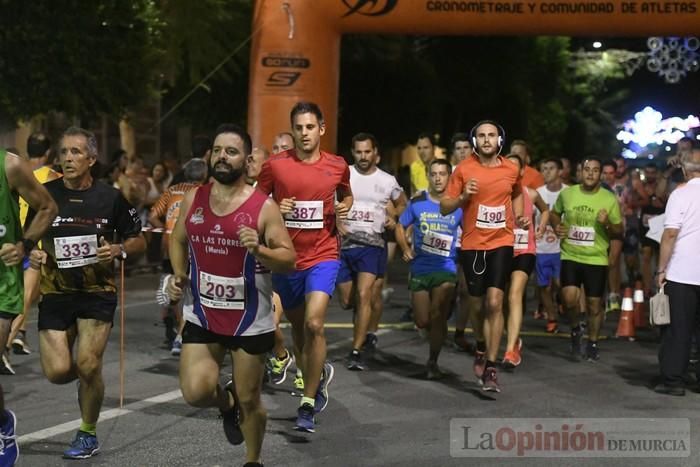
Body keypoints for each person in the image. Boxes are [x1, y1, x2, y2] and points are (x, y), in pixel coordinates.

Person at [167, 124, 295, 466]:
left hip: (250, 319)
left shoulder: (263, 207)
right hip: (203, 312)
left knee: (250, 398)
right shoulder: (194, 198)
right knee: (195, 392)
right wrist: (178, 274)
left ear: (247, 160)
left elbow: (289, 258)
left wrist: (261, 251)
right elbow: (177, 238)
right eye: (218, 150)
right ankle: (227, 405)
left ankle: (253, 460)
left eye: (232, 151)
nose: (222, 157)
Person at [30, 127, 145, 459]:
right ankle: (87, 382)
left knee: (88, 362)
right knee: (56, 372)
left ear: (91, 159)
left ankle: (87, 432)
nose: (68, 158)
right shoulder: (43, 194)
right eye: (64, 152)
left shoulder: (110, 197)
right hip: (56, 292)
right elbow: (30, 236)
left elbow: (139, 238)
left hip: (97, 291)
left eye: (76, 152)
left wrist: (119, 248)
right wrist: (33, 253)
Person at [257, 102, 353, 432]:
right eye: (298, 128)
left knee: (314, 324)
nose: (304, 133)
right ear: (292, 130)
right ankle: (316, 371)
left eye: (310, 127)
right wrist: (274, 207)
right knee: (298, 331)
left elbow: (346, 195)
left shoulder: (338, 165)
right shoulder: (275, 166)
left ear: (321, 129)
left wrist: (343, 208)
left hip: (323, 255)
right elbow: (256, 206)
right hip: (287, 259)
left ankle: (308, 403)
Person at [440, 120, 528, 393]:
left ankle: (491, 366)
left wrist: (518, 216)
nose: (487, 139)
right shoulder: (464, 169)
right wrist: (463, 196)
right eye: (482, 136)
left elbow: (515, 194)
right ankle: (480, 343)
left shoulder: (511, 168)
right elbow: (445, 206)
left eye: (492, 135)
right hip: (473, 244)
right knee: (476, 304)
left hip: (502, 241)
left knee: (495, 301)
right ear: (475, 141)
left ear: (500, 140)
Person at [0, 146, 57, 464]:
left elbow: (48, 207)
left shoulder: (10, 166)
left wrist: (24, 245)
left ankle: (2, 428)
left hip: (2, 285)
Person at [336, 133, 405, 370]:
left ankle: (356, 350)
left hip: (372, 246)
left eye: (367, 152)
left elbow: (402, 204)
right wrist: (336, 220)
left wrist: (393, 217)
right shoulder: (343, 174)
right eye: (358, 152)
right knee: (348, 301)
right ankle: (363, 322)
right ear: (353, 152)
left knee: (365, 295)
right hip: (345, 246)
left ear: (375, 153)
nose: (363, 157)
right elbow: (328, 199)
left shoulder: (387, 180)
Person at [550, 157, 622, 362]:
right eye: (587, 170)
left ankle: (592, 342)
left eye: (595, 170)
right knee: (569, 297)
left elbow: (619, 231)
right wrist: (557, 226)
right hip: (570, 254)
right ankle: (575, 328)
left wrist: (607, 222)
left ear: (600, 174)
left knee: (593, 305)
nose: (590, 174)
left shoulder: (609, 199)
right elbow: (555, 214)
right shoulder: (568, 194)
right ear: (580, 172)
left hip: (596, 258)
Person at [396, 159, 461, 378]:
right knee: (423, 320)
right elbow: (399, 226)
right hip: (421, 268)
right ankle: (433, 330)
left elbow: (472, 232)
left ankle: (433, 361)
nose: (438, 178)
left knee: (438, 314)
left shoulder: (457, 205)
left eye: (442, 174)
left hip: (446, 267)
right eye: (434, 174)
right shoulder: (417, 202)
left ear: (449, 176)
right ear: (429, 176)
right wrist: (405, 247)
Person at [149, 158, 209, 355]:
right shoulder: (204, 193)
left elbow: (152, 215)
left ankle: (176, 326)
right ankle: (181, 335)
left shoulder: (172, 190)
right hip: (194, 249)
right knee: (191, 294)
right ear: (204, 175)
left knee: (174, 288)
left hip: (169, 248)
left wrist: (166, 231)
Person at [10, 133, 61, 358]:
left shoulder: (16, 171)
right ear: (48, 152)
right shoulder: (52, 176)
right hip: (34, 242)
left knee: (19, 293)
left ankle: (19, 333)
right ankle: (7, 343)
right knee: (26, 295)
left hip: (10, 238)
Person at [654, 149, 700, 396]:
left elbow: (670, 234)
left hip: (683, 272)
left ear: (685, 170)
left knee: (678, 329)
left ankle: (674, 380)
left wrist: (661, 269)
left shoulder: (680, 195)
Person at [503, 154, 549, 368]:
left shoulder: (530, 193)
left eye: (515, 168)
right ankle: (511, 337)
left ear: (522, 172)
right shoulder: (496, 195)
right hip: (502, 252)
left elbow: (545, 209)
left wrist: (541, 226)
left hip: (524, 251)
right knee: (499, 300)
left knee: (515, 294)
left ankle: (511, 349)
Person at [535, 158, 567, 333]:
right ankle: (552, 316)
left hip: (562, 249)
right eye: (543, 168)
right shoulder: (537, 193)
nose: (546, 172)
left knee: (561, 284)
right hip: (541, 248)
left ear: (560, 171)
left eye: (551, 168)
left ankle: (566, 306)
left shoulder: (568, 193)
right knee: (544, 287)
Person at [636, 163, 668, 296]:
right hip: (645, 225)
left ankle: (659, 286)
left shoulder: (662, 185)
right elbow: (637, 201)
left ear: (657, 173)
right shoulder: (640, 185)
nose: (650, 175)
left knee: (659, 256)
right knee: (646, 255)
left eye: (652, 172)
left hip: (660, 224)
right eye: (647, 172)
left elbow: (664, 200)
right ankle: (647, 287)